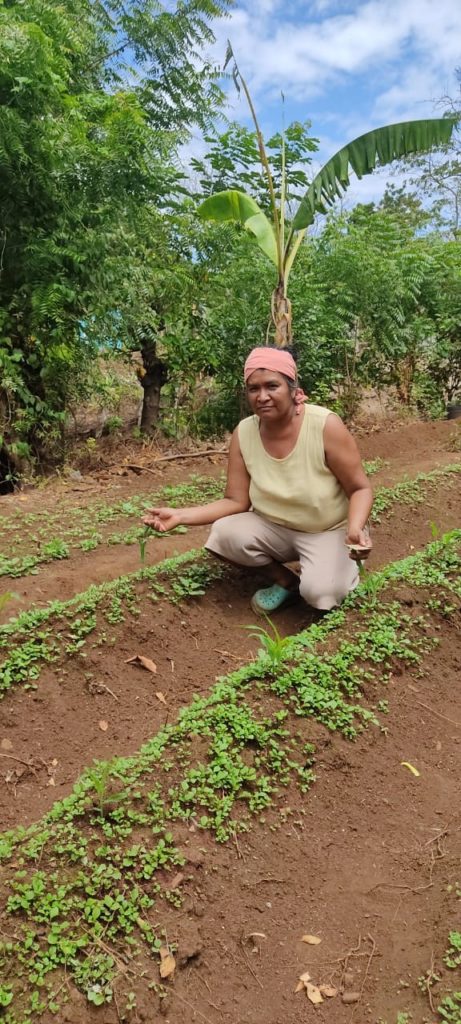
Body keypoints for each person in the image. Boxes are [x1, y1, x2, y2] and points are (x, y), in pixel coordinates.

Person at [143, 347, 373, 615]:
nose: (262, 396)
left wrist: (354, 528)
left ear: (292, 387)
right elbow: (236, 500)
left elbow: (360, 488)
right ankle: (286, 581)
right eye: (254, 389)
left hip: (328, 528)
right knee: (224, 534)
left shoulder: (324, 425)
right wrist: (180, 516)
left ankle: (333, 568)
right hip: (276, 526)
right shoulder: (245, 432)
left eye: (272, 386)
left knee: (321, 594)